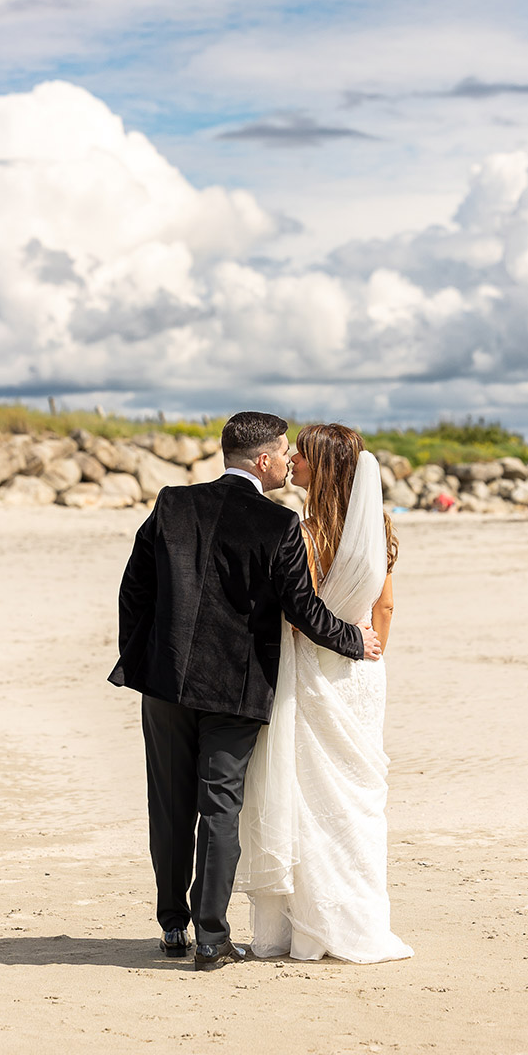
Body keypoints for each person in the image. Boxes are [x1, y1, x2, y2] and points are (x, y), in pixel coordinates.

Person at [107, 412, 382, 971]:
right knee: (219, 810)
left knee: (169, 807)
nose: (287, 461)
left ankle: (171, 926)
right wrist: (355, 640)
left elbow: (134, 588)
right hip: (235, 690)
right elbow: (301, 609)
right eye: (283, 452)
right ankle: (212, 939)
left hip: (163, 683)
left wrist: (143, 655)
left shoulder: (171, 504)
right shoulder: (277, 524)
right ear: (263, 462)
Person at [236, 423, 413, 963]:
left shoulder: (302, 532)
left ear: (325, 468)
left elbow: (296, 612)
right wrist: (371, 651)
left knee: (306, 794)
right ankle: (355, 921)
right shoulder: (376, 526)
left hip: (311, 671)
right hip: (362, 671)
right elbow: (383, 608)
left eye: (304, 457)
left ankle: (304, 930)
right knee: (357, 798)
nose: (294, 463)